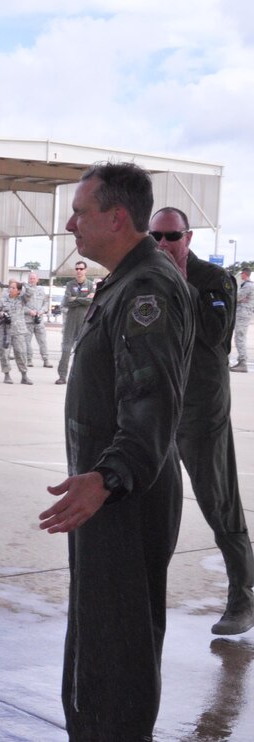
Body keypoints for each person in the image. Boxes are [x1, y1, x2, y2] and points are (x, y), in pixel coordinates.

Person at [39, 162, 193, 740]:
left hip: (123, 493)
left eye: (80, 213)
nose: (71, 225)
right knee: (101, 630)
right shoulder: (126, 279)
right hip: (107, 488)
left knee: (118, 638)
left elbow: (151, 400)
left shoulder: (146, 286)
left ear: (116, 216)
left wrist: (108, 477)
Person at [151, 206, 254, 635]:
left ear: (187, 238)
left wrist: (178, 281)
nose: (162, 244)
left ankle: (243, 596)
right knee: (149, 507)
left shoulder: (214, 281)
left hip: (201, 409)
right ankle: (140, 598)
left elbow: (217, 335)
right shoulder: (145, 277)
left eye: (170, 236)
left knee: (219, 502)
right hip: (156, 408)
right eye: (154, 236)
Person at [55, 260, 93, 384]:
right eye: (77, 269)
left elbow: (91, 302)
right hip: (71, 320)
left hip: (84, 320)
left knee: (82, 350)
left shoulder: (91, 285)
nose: (79, 271)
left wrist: (75, 298)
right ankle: (62, 376)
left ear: (85, 270)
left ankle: (81, 377)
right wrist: (83, 299)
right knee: (66, 349)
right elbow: (67, 301)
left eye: (81, 269)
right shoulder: (70, 284)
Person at [0, 281, 32, 385]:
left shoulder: (22, 300)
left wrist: (24, 285)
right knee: (4, 354)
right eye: (10, 287)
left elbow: (29, 293)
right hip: (5, 331)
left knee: (21, 353)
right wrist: (2, 314)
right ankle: (7, 375)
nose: (11, 289)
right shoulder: (2, 300)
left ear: (18, 291)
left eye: (14, 288)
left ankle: (24, 375)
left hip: (18, 331)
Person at [23, 272, 51, 367]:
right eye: (31, 278)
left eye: (34, 278)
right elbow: (20, 306)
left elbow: (46, 303)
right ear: (28, 279)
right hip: (27, 321)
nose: (32, 280)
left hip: (39, 320)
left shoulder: (41, 290)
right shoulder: (24, 291)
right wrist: (29, 311)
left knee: (42, 341)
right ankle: (29, 359)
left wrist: (42, 311)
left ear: (37, 280)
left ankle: (46, 359)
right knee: (27, 341)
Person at [232, 268, 252, 372]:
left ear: (244, 274)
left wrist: (238, 299)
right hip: (242, 314)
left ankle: (243, 362)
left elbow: (236, 297)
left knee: (240, 337)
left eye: (242, 274)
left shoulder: (248, 285)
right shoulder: (245, 285)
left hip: (243, 315)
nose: (241, 276)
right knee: (239, 337)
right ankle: (241, 361)